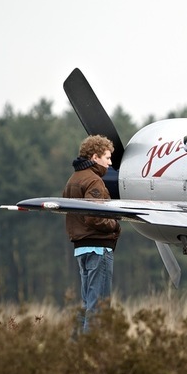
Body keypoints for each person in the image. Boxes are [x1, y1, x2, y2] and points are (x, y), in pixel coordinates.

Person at [63, 134, 121, 335]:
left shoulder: (73, 179)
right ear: (95, 157)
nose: (111, 162)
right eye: (108, 157)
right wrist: (115, 224)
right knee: (99, 306)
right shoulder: (94, 181)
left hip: (81, 249)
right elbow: (94, 216)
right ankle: (90, 352)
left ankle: (75, 351)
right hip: (99, 249)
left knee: (87, 304)